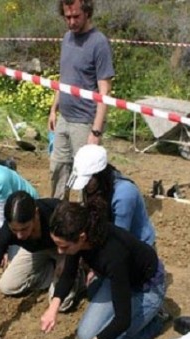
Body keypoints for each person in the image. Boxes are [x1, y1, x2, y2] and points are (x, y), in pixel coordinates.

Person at [40, 201, 167, 339]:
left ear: (82, 237)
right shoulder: (79, 236)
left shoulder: (114, 255)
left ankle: (157, 320)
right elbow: (68, 274)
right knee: (85, 335)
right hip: (119, 279)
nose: (59, 251)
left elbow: (122, 320)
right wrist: (53, 307)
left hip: (147, 287)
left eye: (63, 247)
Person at [0, 191, 72, 329]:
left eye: (25, 228)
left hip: (63, 248)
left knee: (61, 302)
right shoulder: (8, 231)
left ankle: (74, 276)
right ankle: (51, 271)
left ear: (36, 214)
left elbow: (79, 240)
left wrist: (69, 260)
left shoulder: (56, 215)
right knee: (7, 286)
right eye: (14, 230)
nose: (19, 236)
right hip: (36, 250)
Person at [48, 0, 114, 199]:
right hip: (64, 119)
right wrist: (53, 109)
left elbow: (105, 91)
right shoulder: (67, 38)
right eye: (67, 17)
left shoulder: (99, 42)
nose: (71, 22)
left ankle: (84, 221)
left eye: (76, 16)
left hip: (85, 123)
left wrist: (96, 130)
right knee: (57, 170)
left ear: (87, 13)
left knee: (84, 179)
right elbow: (64, 78)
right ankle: (58, 214)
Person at [67, 144, 155, 246]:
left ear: (99, 175)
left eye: (87, 182)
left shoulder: (124, 194)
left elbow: (119, 238)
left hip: (136, 247)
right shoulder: (94, 187)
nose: (85, 187)